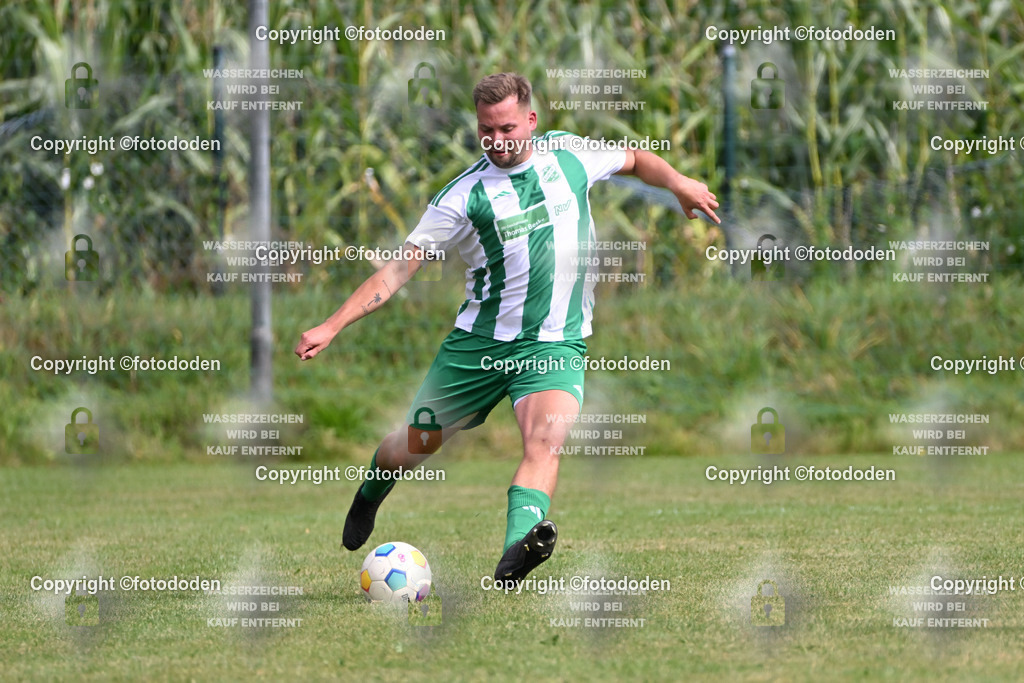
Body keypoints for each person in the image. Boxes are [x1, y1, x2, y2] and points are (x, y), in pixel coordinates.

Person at [295, 72, 719, 584]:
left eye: (507, 129)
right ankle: (371, 492)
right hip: (477, 347)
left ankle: (515, 555)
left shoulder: (568, 155)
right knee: (414, 444)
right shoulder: (463, 197)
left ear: (532, 121)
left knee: (545, 442)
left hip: (554, 343)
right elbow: (398, 268)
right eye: (486, 131)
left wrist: (679, 182)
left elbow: (634, 158)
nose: (497, 141)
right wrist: (332, 325)